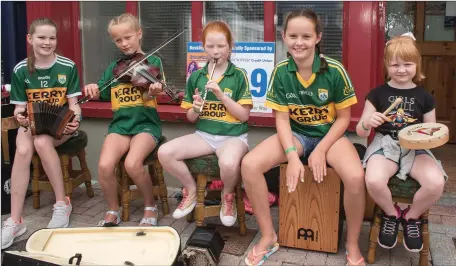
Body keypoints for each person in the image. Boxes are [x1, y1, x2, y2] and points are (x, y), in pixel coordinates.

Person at [241, 9, 366, 266]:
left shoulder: (334, 70)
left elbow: (344, 119)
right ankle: (268, 236)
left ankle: (352, 244)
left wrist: (321, 150)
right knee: (250, 165)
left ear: (318, 37)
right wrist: (292, 157)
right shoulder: (280, 72)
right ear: (284, 36)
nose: (300, 42)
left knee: (355, 177)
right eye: (294, 35)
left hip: (330, 135)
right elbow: (282, 120)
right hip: (296, 135)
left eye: (306, 36)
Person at [356, 33, 446, 252]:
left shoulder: (425, 97)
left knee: (435, 183)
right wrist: (368, 122)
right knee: (374, 180)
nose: (402, 69)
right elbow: (360, 131)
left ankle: (411, 218)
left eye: (408, 64)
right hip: (385, 144)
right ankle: (392, 214)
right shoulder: (377, 94)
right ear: (387, 65)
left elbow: (431, 131)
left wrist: (427, 136)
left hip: (415, 148)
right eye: (395, 64)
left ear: (417, 65)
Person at [158, 20, 253, 227]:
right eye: (210, 46)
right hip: (205, 136)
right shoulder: (197, 77)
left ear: (230, 47)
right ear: (203, 47)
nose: (216, 51)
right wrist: (197, 108)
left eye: (221, 46)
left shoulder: (239, 75)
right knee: (165, 153)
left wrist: (222, 96)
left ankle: (227, 197)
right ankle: (191, 190)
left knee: (228, 163)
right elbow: (191, 118)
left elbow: (244, 116)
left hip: (233, 136)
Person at [2, 17, 82, 249]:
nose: (47, 42)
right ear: (30, 39)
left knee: (43, 143)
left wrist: (75, 119)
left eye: (52, 38)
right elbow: (19, 107)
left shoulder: (68, 66)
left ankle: (62, 203)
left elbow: (74, 104)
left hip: (60, 125)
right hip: (33, 124)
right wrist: (20, 116)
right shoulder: (21, 70)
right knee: (24, 148)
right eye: (41, 37)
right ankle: (15, 220)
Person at [83, 13, 165, 227]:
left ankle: (150, 204)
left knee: (132, 163)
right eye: (118, 40)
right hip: (121, 126)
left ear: (139, 34)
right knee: (104, 165)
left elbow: (152, 93)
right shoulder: (115, 68)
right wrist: (92, 88)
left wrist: (154, 90)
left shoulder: (153, 62)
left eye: (128, 37)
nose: (124, 43)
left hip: (145, 125)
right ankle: (113, 208)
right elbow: (100, 92)